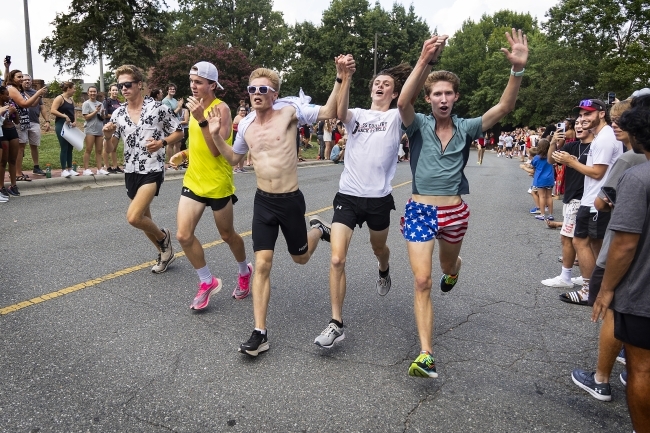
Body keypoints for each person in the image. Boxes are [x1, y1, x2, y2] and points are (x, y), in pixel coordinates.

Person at [397, 29, 528, 378]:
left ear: (456, 97)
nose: (442, 99)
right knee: (422, 281)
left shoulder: (467, 128)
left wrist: (516, 70)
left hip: (454, 212)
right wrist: (425, 59)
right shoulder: (417, 125)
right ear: (429, 98)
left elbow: (504, 107)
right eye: (436, 93)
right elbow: (401, 103)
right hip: (420, 212)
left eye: (448, 93)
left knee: (446, 265)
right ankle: (426, 354)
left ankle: (454, 270)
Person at [205, 57, 353, 357]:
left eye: (264, 88)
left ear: (274, 94)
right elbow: (233, 159)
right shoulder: (245, 125)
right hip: (264, 202)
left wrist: (340, 79)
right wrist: (213, 135)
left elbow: (328, 112)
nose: (256, 92)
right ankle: (260, 333)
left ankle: (316, 230)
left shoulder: (289, 112)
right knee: (262, 264)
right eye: (252, 88)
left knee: (300, 258)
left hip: (290, 200)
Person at [313, 61, 411, 349]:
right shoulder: (356, 115)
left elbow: (409, 102)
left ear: (394, 94)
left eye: (387, 85)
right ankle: (336, 324)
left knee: (378, 248)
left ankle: (383, 268)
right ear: (370, 89)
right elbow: (340, 112)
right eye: (377, 83)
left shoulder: (396, 117)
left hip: (379, 199)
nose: (380, 87)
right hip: (348, 196)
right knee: (336, 259)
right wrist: (345, 77)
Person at [571, 98, 646, 402]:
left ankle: (601, 379)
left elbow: (624, 242)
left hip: (633, 265)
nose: (619, 125)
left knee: (614, 310)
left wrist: (606, 289)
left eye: (623, 119)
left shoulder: (632, 165)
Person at [167, 61, 252, 310]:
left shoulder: (221, 109)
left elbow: (216, 151)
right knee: (183, 235)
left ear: (212, 85)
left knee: (227, 235)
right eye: (191, 81)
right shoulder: (195, 108)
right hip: (194, 180)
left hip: (217, 182)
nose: (193, 86)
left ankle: (244, 269)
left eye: (199, 82)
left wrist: (202, 119)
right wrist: (183, 155)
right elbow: (198, 144)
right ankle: (207, 281)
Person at [592, 98, 650, 432]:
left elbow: (625, 244)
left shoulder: (638, 178)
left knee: (641, 368)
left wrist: (607, 289)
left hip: (642, 292)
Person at [102, 65, 183, 274]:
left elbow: (179, 132)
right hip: (131, 170)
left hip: (152, 168)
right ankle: (165, 253)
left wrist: (162, 143)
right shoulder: (118, 114)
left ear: (139, 85)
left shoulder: (157, 108)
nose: (124, 89)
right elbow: (111, 148)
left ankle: (164, 237)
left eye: (128, 84)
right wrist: (107, 135)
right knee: (144, 218)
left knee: (134, 217)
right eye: (120, 86)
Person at [554, 99, 623, 305]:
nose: (583, 119)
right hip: (594, 199)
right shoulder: (601, 136)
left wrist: (571, 162)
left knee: (580, 241)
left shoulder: (604, 139)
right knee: (592, 243)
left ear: (602, 114)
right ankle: (596, 288)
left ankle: (589, 291)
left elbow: (597, 172)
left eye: (588, 114)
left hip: (595, 201)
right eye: (581, 115)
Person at [541, 122, 594, 288]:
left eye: (583, 123)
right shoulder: (572, 145)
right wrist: (553, 143)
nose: (578, 127)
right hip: (571, 196)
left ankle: (566, 277)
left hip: (583, 197)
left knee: (569, 238)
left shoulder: (597, 146)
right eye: (576, 124)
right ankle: (589, 278)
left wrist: (572, 162)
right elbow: (551, 159)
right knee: (582, 240)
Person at [14, 74, 49, 178]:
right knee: (21, 147)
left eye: (29, 80)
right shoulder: (18, 92)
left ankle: (36, 167)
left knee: (34, 145)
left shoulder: (35, 93)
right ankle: (18, 171)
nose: (27, 81)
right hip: (21, 122)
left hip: (34, 121)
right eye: (24, 80)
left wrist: (47, 121)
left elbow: (41, 107)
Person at [49, 81, 80, 178]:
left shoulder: (71, 99)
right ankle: (63, 170)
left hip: (70, 125)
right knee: (64, 147)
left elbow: (73, 111)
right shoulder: (60, 98)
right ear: (69, 88)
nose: (74, 90)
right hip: (61, 124)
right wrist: (64, 116)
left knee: (70, 147)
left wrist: (74, 121)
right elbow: (53, 110)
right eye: (73, 88)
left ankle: (70, 169)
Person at [81, 86, 109, 176]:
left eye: (94, 91)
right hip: (90, 129)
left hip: (99, 129)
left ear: (97, 93)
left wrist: (102, 113)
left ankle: (99, 169)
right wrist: (95, 111)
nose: (93, 93)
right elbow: (86, 117)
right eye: (91, 92)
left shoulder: (100, 103)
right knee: (88, 149)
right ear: (88, 93)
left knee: (99, 150)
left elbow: (103, 117)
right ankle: (86, 169)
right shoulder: (86, 104)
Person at [529, 139, 555, 221]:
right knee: (549, 196)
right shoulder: (550, 156)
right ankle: (550, 214)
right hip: (550, 178)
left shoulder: (536, 158)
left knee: (542, 196)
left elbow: (532, 166)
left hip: (540, 179)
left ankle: (542, 214)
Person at [102, 84, 124, 173]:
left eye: (116, 90)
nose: (115, 92)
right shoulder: (106, 101)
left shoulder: (118, 102)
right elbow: (105, 114)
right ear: (110, 91)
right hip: (108, 127)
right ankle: (107, 166)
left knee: (113, 148)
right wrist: (116, 116)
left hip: (117, 127)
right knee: (106, 147)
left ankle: (115, 166)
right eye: (113, 90)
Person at [0, 85, 17, 201]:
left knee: (12, 159)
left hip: (12, 131)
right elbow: (2, 121)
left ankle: (13, 184)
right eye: (6, 94)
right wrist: (7, 112)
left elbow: (17, 121)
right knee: (2, 161)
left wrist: (15, 112)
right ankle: (1, 186)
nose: (8, 96)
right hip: (3, 133)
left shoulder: (10, 105)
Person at [162, 83, 184, 166]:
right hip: (170, 124)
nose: (172, 90)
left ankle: (177, 161)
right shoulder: (165, 101)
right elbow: (170, 114)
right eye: (170, 89)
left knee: (178, 144)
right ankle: (170, 161)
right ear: (167, 90)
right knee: (171, 143)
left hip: (177, 123)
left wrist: (180, 106)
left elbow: (179, 113)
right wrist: (178, 107)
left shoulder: (175, 100)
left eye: (174, 89)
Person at [232, 106, 247, 173]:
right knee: (236, 153)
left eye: (244, 110)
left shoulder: (245, 118)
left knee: (243, 153)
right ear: (238, 111)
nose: (243, 111)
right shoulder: (238, 117)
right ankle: (235, 168)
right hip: (236, 136)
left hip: (242, 136)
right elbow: (244, 123)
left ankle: (241, 167)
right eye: (241, 110)